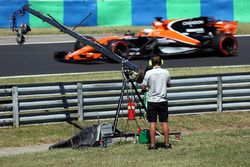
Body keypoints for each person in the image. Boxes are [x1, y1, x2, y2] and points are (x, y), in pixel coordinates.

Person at [141, 55, 171, 150]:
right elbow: (169, 84)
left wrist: (145, 89)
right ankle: (167, 144)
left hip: (152, 101)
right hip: (163, 101)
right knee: (164, 122)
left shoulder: (149, 73)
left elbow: (143, 87)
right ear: (161, 62)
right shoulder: (166, 72)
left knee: (152, 123)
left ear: (151, 63)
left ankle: (153, 145)